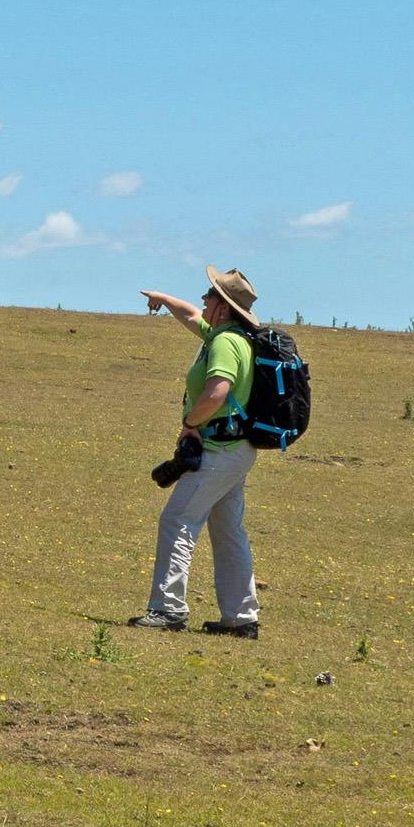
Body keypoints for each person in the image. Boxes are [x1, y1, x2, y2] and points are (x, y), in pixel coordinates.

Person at [129, 267, 263, 637]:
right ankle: (241, 618)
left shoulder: (224, 343)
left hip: (218, 451)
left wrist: (190, 422)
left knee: (177, 520)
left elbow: (217, 392)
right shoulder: (227, 335)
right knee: (228, 530)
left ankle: (168, 610)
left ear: (224, 307)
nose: (204, 298)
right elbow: (191, 315)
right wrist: (163, 298)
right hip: (236, 450)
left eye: (210, 294)